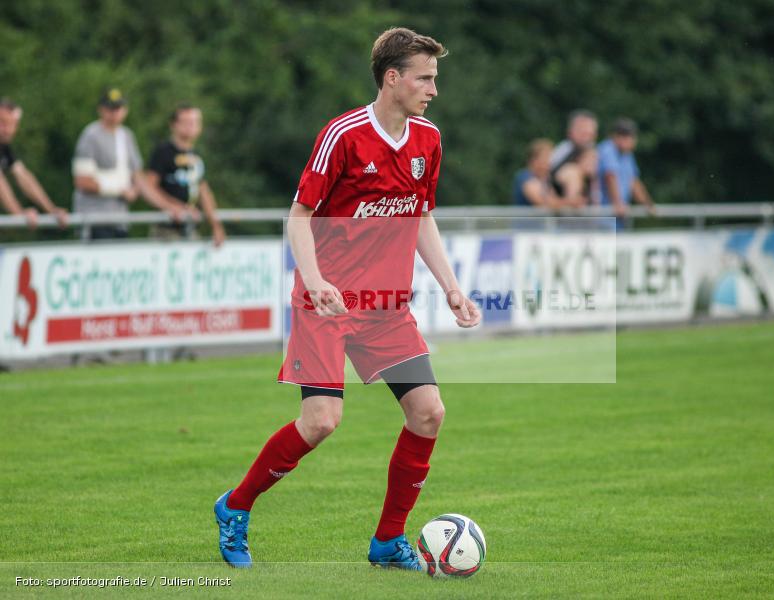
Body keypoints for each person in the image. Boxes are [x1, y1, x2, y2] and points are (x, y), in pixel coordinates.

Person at [214, 27, 481, 571]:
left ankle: (387, 542)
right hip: (327, 303)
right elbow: (299, 218)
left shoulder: (427, 139)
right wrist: (314, 282)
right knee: (321, 421)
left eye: (434, 78)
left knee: (428, 412)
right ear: (393, 78)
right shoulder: (344, 135)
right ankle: (235, 506)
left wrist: (451, 286)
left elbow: (420, 214)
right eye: (425, 78)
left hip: (386, 308)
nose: (433, 89)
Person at [71, 88, 182, 240]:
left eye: (118, 108)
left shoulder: (126, 136)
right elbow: (82, 181)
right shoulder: (90, 136)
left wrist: (171, 207)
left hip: (120, 220)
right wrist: (119, 189)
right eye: (111, 109)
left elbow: (138, 179)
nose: (115, 113)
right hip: (95, 219)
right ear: (101, 110)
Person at [146, 104, 226, 246]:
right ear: (173, 124)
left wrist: (216, 226)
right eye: (187, 122)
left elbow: (203, 190)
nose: (192, 126)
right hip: (166, 230)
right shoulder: (163, 152)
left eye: (195, 122)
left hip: (190, 228)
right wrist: (173, 206)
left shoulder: (195, 155)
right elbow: (149, 187)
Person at [0, 98, 69, 228]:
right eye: (2, 122)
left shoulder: (4, 147)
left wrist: (52, 210)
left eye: (12, 124)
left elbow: (23, 176)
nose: (7, 130)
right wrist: (19, 214)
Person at [598, 117, 657, 230]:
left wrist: (648, 204)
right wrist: (618, 203)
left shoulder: (626, 155)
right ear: (616, 136)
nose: (631, 141)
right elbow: (610, 176)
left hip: (616, 216)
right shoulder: (608, 149)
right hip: (604, 215)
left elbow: (633, 182)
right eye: (626, 137)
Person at [512, 138, 564, 208]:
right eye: (546, 157)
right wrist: (570, 203)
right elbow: (542, 202)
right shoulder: (525, 177)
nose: (549, 161)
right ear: (534, 159)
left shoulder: (545, 178)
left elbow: (553, 200)